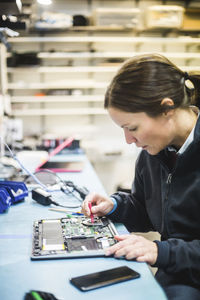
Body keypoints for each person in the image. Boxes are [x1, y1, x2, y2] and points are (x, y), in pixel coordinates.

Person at [81, 53, 200, 300]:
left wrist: (162, 252)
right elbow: (150, 209)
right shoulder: (154, 151)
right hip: (179, 271)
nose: (129, 140)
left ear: (167, 108)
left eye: (133, 128)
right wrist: (115, 206)